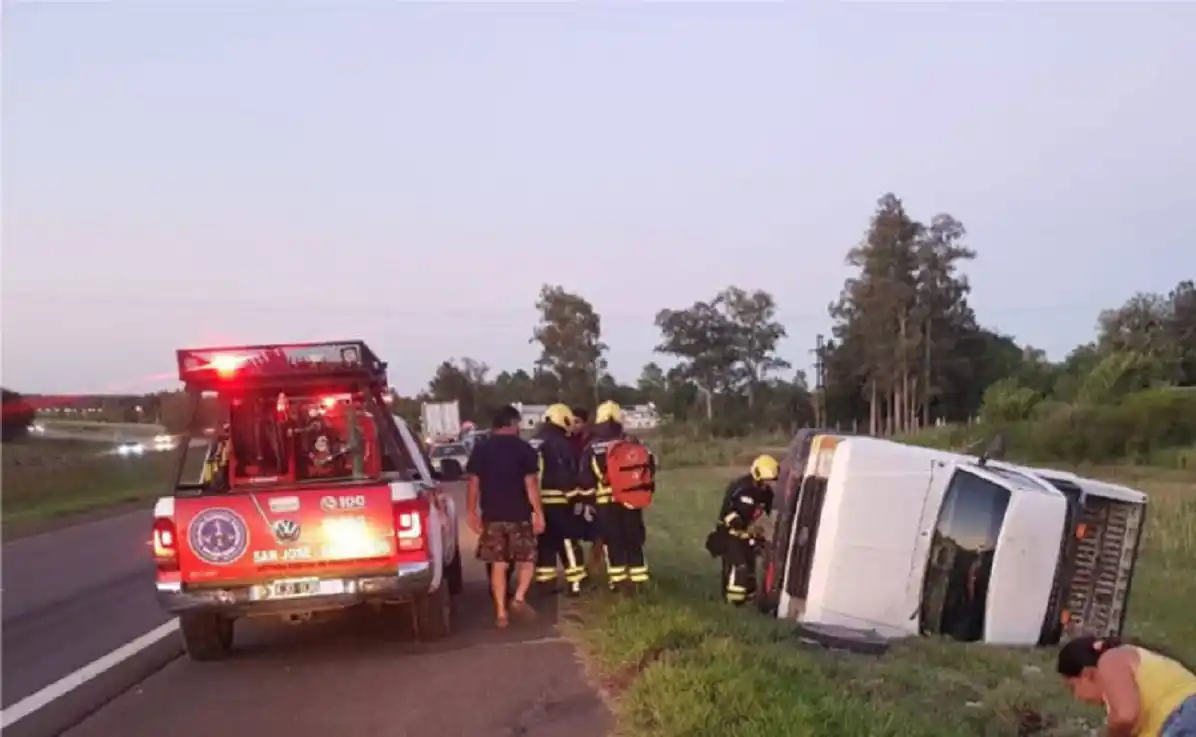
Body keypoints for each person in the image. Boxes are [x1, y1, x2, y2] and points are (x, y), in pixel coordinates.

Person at [465, 404, 546, 628]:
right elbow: (531, 484)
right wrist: (538, 513)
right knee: (527, 560)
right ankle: (518, 598)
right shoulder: (524, 449)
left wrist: (471, 512)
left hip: (492, 516)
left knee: (499, 564)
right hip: (519, 515)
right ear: (512, 423)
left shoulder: (481, 449)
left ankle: (501, 612)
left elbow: (473, 483)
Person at [578, 400, 654, 594]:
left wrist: (587, 502)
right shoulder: (632, 443)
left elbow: (585, 479)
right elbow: (649, 468)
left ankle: (618, 582)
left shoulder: (592, 448)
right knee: (633, 540)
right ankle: (638, 580)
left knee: (613, 542)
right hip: (631, 500)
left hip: (605, 503)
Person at [1057, 636, 1196, 737]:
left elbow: (1125, 716)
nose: (1077, 697)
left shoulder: (1110, 659)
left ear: (1087, 674)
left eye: (1073, 687)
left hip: (1184, 717)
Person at [530, 404, 587, 596]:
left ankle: (546, 582)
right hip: (559, 501)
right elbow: (565, 473)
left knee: (545, 543)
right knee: (568, 540)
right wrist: (576, 498)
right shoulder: (560, 443)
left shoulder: (533, 441)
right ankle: (576, 582)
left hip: (536, 502)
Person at [706, 455, 778, 606]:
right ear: (758, 475)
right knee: (740, 568)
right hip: (730, 535)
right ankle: (732, 604)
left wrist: (763, 530)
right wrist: (736, 522)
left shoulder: (767, 494)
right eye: (766, 480)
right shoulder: (740, 488)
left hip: (748, 536)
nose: (769, 484)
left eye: (771, 480)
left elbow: (767, 513)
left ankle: (747, 601)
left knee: (751, 573)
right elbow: (726, 512)